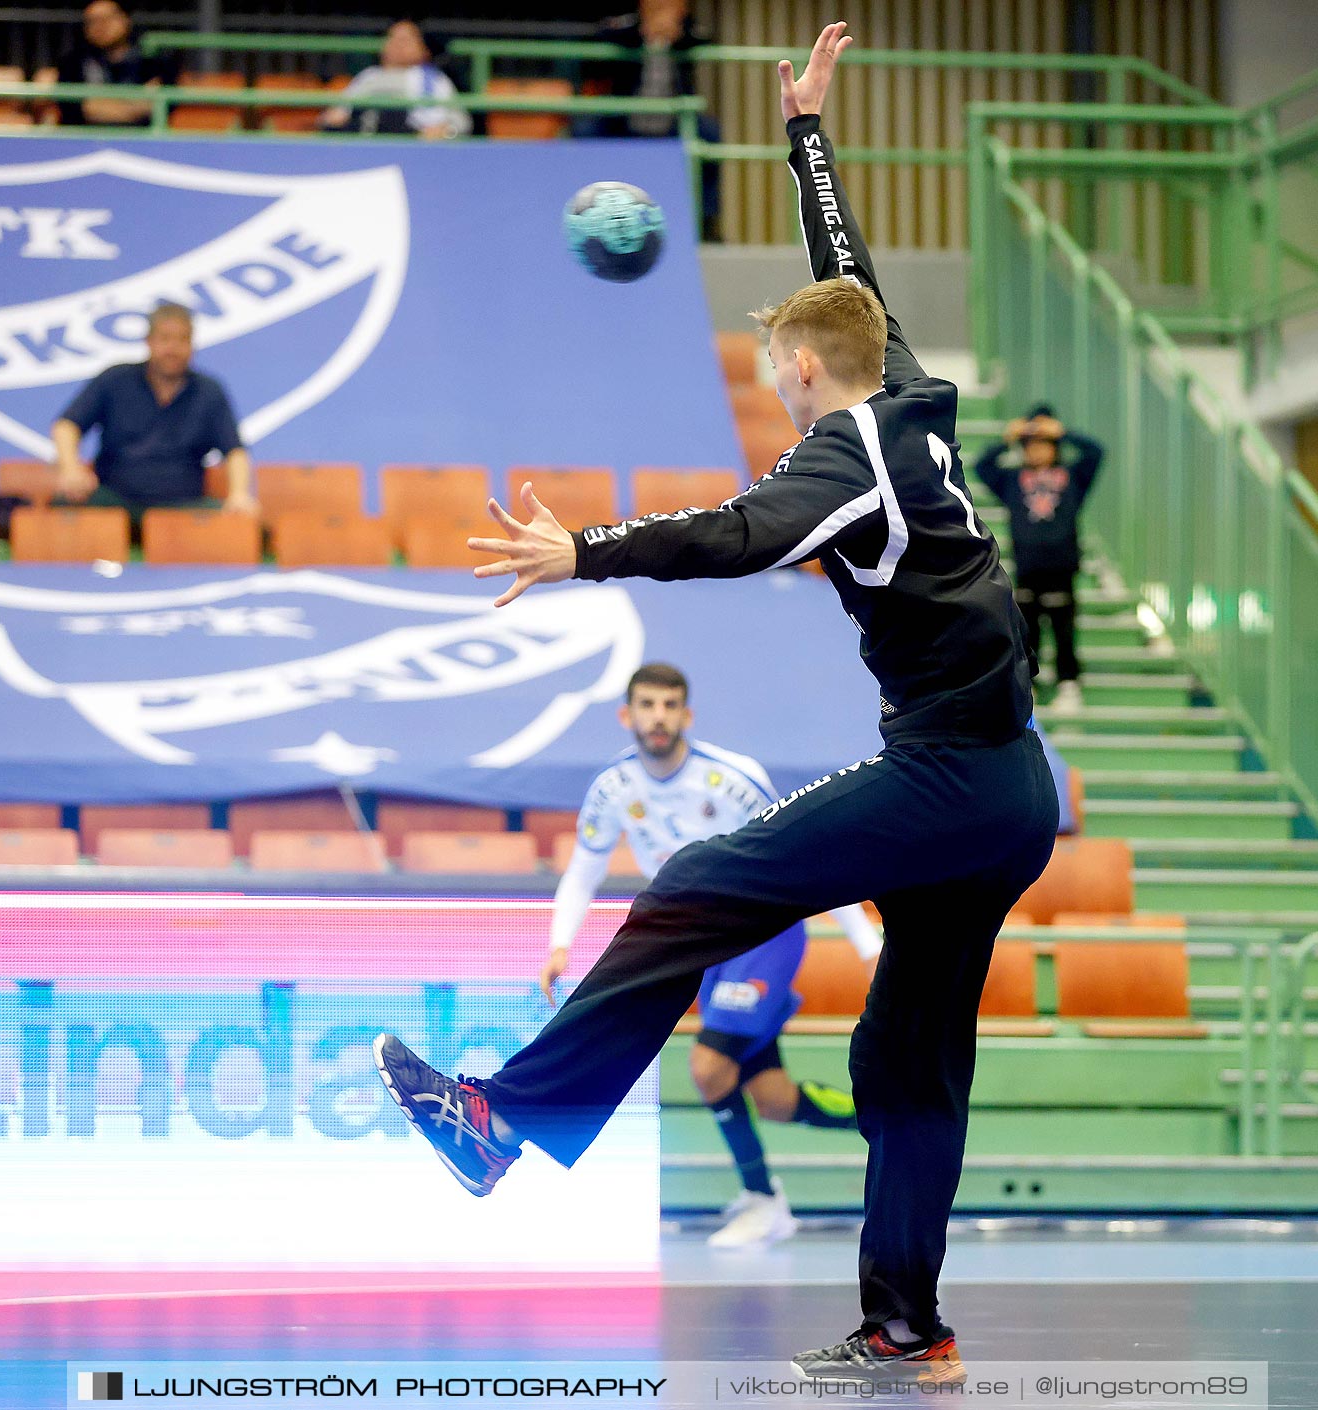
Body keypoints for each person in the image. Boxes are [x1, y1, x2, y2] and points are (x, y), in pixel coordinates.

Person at [375, 24, 1056, 1383]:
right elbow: (845, 272)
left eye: (773, 372)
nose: (773, 387)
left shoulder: (841, 451)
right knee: (909, 1055)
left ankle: (505, 1120)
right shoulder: (909, 393)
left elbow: (738, 536)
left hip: (946, 775)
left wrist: (586, 552)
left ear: (803, 370)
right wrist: (806, 134)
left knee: (693, 880)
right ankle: (908, 1328)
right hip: (1015, 787)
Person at [545, 661, 881, 1248]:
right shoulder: (613, 789)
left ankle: (763, 1199)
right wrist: (558, 945)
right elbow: (583, 870)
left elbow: (809, 857)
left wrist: (867, 945)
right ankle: (892, 1114)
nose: (658, 717)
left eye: (669, 705)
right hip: (703, 947)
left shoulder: (731, 780)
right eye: (647, 705)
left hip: (763, 932)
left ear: (687, 715)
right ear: (627, 715)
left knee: (707, 1068)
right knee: (773, 1100)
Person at [51, 303, 257, 522]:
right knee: (64, 505)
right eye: (165, 338)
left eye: (182, 340)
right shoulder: (115, 380)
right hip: (114, 502)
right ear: (149, 342)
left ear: (192, 345)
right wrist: (71, 468)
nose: (173, 348)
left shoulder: (208, 391)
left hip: (182, 508)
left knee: (232, 521)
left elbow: (235, 451)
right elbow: (66, 426)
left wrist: (240, 494)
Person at [974, 407, 1103, 711]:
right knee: (1027, 627)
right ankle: (1029, 684)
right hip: (1027, 566)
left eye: (1044, 443)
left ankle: (1068, 681)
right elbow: (982, 466)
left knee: (1063, 625)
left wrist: (1064, 431)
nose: (1037, 450)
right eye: (1031, 445)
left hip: (1062, 565)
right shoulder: (1011, 479)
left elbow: (1095, 453)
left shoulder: (1073, 477)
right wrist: (1008, 437)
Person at [590, 1, 723, 241]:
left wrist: (677, 34)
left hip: (674, 122)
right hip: (624, 120)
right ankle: (587, 212)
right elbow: (601, 36)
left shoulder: (689, 30)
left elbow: (706, 38)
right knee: (586, 129)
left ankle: (706, 223)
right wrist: (642, 32)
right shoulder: (628, 26)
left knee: (710, 134)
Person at [320, 18, 468, 138]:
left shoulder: (435, 80)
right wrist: (335, 118)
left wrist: (445, 132)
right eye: (393, 38)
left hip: (415, 146)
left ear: (423, 49)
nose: (398, 45)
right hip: (369, 144)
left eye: (406, 40)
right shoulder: (369, 76)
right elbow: (335, 115)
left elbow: (461, 123)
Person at [54, 0, 178, 128]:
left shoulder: (153, 62)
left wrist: (101, 106)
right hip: (84, 143)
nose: (100, 26)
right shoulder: (72, 63)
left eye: (107, 18)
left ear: (126, 20)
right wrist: (133, 106)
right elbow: (77, 111)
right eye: (92, 21)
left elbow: (157, 106)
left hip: (141, 142)